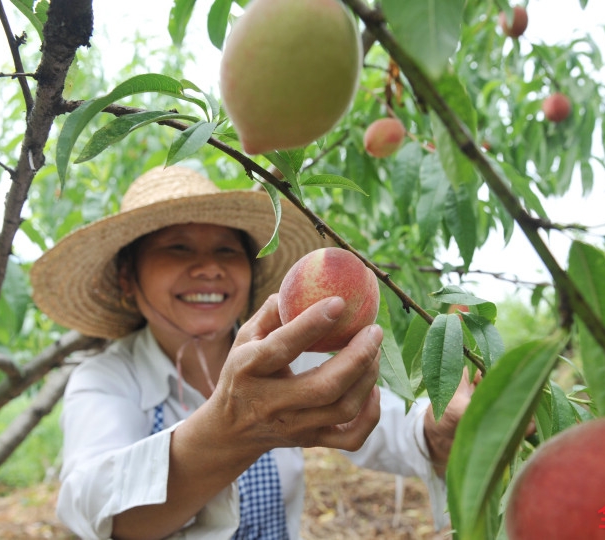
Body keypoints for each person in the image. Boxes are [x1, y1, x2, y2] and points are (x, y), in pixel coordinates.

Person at [30, 165, 475, 540]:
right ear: (129, 278)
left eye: (227, 249)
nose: (209, 267)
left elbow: (372, 416)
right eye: (177, 247)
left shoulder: (282, 357)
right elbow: (93, 504)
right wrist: (231, 431)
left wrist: (436, 430)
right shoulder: (106, 377)